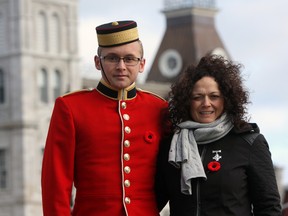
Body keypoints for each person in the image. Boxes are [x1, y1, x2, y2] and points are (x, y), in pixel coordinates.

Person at [41, 20, 168, 216]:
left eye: (129, 59)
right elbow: (56, 182)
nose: (121, 66)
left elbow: (168, 177)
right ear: (97, 62)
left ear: (142, 64)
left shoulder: (159, 109)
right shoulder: (71, 108)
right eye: (112, 58)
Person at [155, 54, 282, 216]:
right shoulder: (171, 147)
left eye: (214, 96)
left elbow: (269, 207)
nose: (206, 103)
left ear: (226, 99)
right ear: (187, 101)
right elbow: (152, 202)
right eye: (197, 97)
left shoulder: (249, 142)